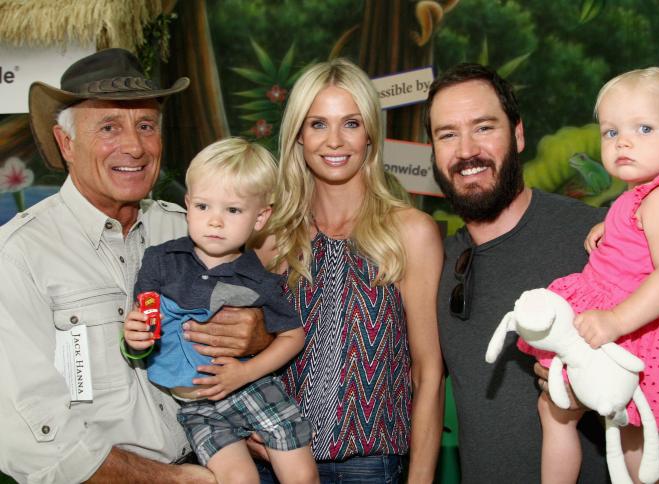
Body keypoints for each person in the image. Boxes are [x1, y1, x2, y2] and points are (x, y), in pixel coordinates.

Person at [0, 48, 271, 483]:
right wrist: (173, 480)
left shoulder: (191, 231)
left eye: (146, 126)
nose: (135, 146)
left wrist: (256, 334)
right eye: (109, 127)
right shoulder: (19, 255)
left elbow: (266, 324)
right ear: (66, 143)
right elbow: (28, 436)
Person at [517, 67, 659, 483]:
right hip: (604, 316)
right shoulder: (643, 192)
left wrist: (616, 321)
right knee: (559, 409)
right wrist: (610, 225)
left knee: (632, 435)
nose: (623, 141)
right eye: (611, 132)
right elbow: (638, 234)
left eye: (643, 128)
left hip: (634, 327)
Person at [253, 58, 445, 483]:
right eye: (318, 124)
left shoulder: (409, 232)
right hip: (272, 465)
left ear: (371, 134)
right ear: (298, 136)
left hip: (368, 467)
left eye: (351, 123)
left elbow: (427, 371)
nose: (334, 141)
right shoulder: (271, 237)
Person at [425, 62, 609, 483]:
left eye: (484, 127)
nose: (466, 149)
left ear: (519, 134)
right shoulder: (436, 263)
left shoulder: (593, 238)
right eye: (447, 134)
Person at [123, 137, 319, 484]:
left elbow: (293, 336)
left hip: (251, 388)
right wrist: (134, 338)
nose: (215, 222)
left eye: (232, 210)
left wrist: (245, 373)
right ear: (187, 204)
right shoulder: (160, 261)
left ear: (260, 218)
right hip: (195, 405)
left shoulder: (258, 278)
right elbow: (144, 329)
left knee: (300, 474)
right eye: (203, 207)